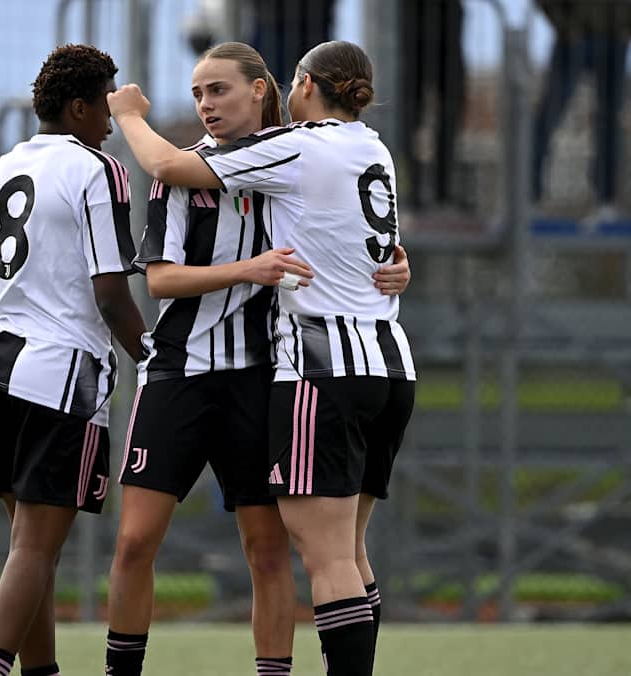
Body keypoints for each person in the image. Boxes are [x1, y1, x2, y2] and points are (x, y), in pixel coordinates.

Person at [109, 40, 416, 676]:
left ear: (276, 87)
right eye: (197, 93)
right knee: (140, 541)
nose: (205, 103)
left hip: (286, 372)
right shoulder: (367, 146)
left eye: (217, 89)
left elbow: (165, 160)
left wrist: (128, 114)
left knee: (300, 552)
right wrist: (392, 266)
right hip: (200, 369)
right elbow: (160, 277)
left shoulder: (289, 149)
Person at [0, 43, 146, 676]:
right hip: (64, 380)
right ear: (79, 108)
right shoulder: (99, 170)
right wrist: (157, 362)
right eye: (105, 107)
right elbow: (111, 295)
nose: (111, 124)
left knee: (30, 551)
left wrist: (11, 337)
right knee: (35, 548)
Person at [529, 0, 631, 222]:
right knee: (551, 112)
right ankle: (529, 195)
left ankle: (606, 200)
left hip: (616, 37)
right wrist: (566, 26)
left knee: (610, 119)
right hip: (575, 37)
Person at [398, 0, 488, 209]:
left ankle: (442, 190)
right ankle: (409, 189)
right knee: (409, 114)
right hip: (413, 37)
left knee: (451, 111)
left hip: (449, 35)